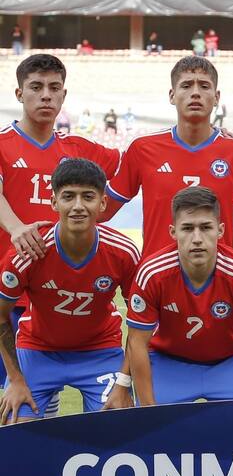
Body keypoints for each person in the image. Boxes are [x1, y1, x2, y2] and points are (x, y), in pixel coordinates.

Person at [0, 54, 120, 409]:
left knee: (37, 398)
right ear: (20, 94)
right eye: (36, 87)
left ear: (64, 96)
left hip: (62, 292)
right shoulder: (3, 144)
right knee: (16, 401)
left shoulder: (78, 150)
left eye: (54, 88)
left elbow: (134, 166)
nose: (46, 95)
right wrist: (17, 226)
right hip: (10, 291)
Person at [102, 56, 233, 260]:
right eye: (186, 86)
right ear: (172, 95)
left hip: (219, 281)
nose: (195, 93)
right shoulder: (143, 149)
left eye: (204, 86)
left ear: (217, 97)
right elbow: (104, 210)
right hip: (158, 282)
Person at [0, 159, 139, 424]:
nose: (77, 206)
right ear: (54, 202)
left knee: (117, 425)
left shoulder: (124, 252)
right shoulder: (30, 250)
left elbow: (141, 323)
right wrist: (16, 380)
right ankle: (43, 406)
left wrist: (123, 382)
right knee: (16, 429)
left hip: (100, 351)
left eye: (87, 197)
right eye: (68, 197)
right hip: (37, 350)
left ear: (102, 204)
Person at [126, 187, 233, 405]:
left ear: (220, 230)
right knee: (157, 435)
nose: (197, 238)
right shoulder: (152, 273)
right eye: (187, 228)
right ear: (173, 232)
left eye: (205, 228)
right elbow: (137, 343)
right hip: (169, 363)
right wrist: (148, 410)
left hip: (229, 362)